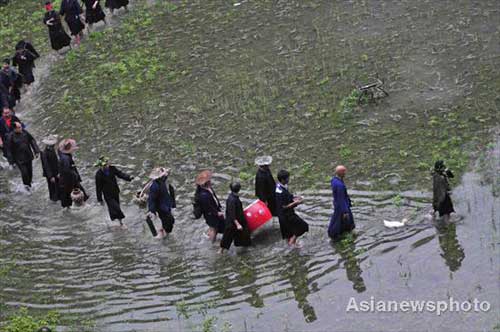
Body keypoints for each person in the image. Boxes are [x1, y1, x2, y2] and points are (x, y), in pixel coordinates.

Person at [95, 156, 133, 228]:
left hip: (115, 191)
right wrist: (99, 199)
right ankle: (121, 223)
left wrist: (128, 177)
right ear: (100, 166)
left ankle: (117, 222)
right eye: (103, 166)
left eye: (106, 165)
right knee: (115, 208)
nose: (105, 167)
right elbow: (98, 188)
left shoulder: (112, 168)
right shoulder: (98, 174)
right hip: (107, 195)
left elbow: (120, 174)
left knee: (116, 206)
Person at [275, 170, 309, 247]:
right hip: (286, 215)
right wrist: (296, 203)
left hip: (285, 215)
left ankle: (292, 244)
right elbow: (283, 207)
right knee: (303, 226)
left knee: (288, 232)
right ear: (283, 180)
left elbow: (289, 196)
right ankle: (292, 242)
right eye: (287, 178)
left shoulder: (282, 186)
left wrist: (295, 197)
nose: (289, 179)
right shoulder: (279, 192)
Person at [5, 122, 40, 189]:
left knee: (30, 172)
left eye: (21, 127)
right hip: (19, 159)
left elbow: (32, 140)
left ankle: (29, 183)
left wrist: (36, 151)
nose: (21, 128)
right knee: (24, 173)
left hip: (28, 156)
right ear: (15, 129)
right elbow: (8, 150)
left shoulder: (25, 132)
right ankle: (26, 186)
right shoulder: (10, 137)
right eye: (19, 127)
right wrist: (11, 162)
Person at [219, 182, 252, 254]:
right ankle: (220, 251)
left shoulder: (233, 197)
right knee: (227, 238)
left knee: (243, 235)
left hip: (238, 221)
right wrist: (237, 224)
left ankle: (243, 247)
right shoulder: (232, 200)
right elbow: (232, 214)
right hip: (233, 223)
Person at [146, 167, 176, 238]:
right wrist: (151, 211)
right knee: (169, 220)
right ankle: (162, 233)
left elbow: (165, 177)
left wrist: (167, 173)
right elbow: (151, 199)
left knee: (169, 220)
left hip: (166, 203)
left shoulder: (161, 181)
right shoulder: (154, 186)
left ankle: (163, 230)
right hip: (161, 207)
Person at [196, 170, 225, 242]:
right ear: (206, 183)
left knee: (213, 227)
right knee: (214, 228)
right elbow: (208, 207)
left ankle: (209, 236)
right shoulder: (203, 195)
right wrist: (217, 213)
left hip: (214, 210)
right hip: (210, 214)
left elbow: (214, 199)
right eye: (209, 180)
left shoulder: (209, 189)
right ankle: (212, 242)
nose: (210, 181)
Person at [58, 138, 88, 208]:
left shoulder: (64, 156)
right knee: (75, 194)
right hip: (69, 181)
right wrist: (75, 175)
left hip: (67, 181)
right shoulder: (65, 158)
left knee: (69, 197)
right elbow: (67, 171)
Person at [327, 165, 355, 240]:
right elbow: (341, 199)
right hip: (342, 207)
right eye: (344, 171)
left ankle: (343, 232)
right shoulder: (339, 185)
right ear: (340, 173)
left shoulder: (334, 180)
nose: (345, 173)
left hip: (339, 205)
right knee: (340, 221)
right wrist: (345, 211)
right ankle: (334, 234)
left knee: (341, 221)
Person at [40, 135, 60, 201]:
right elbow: (46, 166)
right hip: (50, 173)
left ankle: (58, 197)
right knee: (52, 187)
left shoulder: (52, 149)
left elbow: (56, 161)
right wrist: (50, 176)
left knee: (57, 185)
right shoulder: (44, 153)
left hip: (55, 171)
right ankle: (53, 199)